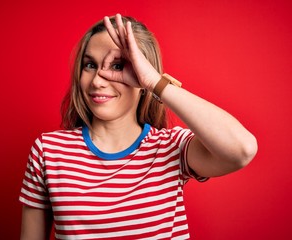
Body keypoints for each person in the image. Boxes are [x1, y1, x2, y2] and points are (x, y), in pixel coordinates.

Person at [19, 14, 257, 240]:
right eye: (90, 65)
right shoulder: (48, 151)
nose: (97, 80)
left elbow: (242, 149)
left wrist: (155, 81)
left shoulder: (169, 148)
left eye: (118, 66)